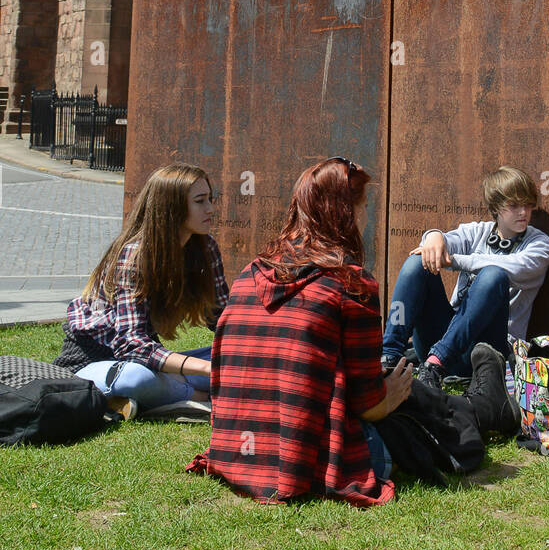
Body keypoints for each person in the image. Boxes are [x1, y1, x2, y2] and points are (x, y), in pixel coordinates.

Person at [187, 157, 519, 507]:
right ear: (345, 213)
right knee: (416, 401)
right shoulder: (349, 284)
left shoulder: (249, 274)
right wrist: (390, 392)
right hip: (312, 461)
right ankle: (486, 406)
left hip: (234, 451)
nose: (364, 218)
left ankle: (483, 403)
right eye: (362, 208)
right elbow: (371, 407)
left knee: (408, 386)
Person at [54, 164, 227, 419]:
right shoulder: (134, 256)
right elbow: (132, 344)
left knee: (234, 357)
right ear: (172, 207)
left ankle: (161, 397)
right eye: (200, 201)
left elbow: (222, 317)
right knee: (136, 379)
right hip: (95, 361)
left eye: (210, 199)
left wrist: (251, 348)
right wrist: (206, 369)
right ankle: (197, 397)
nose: (210, 208)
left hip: (150, 362)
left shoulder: (205, 247)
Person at [382, 165, 549, 383]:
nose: (523, 213)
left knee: (493, 275)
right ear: (495, 206)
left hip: (488, 351)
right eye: (514, 205)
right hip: (447, 337)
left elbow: (514, 267)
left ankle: (436, 364)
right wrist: (434, 237)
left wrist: (456, 261)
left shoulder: (541, 245)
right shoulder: (477, 232)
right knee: (417, 262)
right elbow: (438, 243)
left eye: (528, 205)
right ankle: (389, 355)